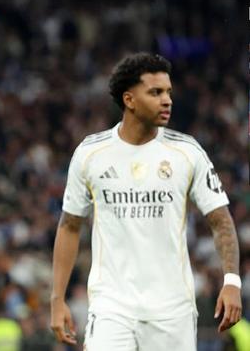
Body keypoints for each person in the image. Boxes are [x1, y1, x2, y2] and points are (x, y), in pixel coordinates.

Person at [50, 53, 242, 350]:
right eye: (155, 92)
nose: (167, 100)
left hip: (172, 310)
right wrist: (57, 299)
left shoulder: (187, 152)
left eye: (168, 92)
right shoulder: (90, 154)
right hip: (111, 306)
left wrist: (231, 281)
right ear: (129, 99)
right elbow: (69, 226)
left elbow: (221, 221)